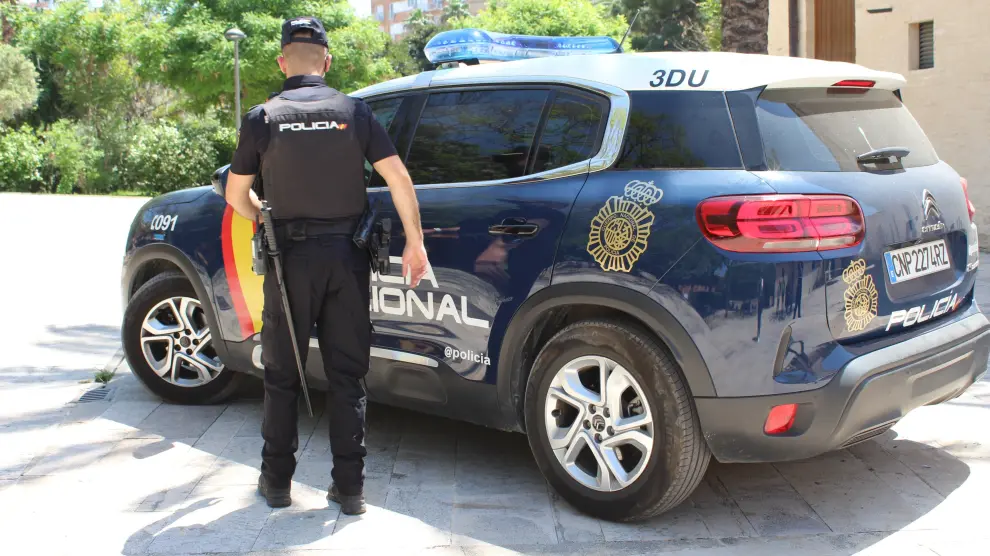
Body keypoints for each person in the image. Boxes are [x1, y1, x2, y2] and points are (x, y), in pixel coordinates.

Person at [224, 15, 429, 515]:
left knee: (281, 374)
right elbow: (399, 179)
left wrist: (262, 215)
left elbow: (234, 194)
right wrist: (416, 243)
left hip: (288, 261)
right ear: (327, 61)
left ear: (282, 62)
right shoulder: (355, 112)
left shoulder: (262, 118)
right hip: (346, 258)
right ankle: (351, 490)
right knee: (347, 375)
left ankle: (277, 483)